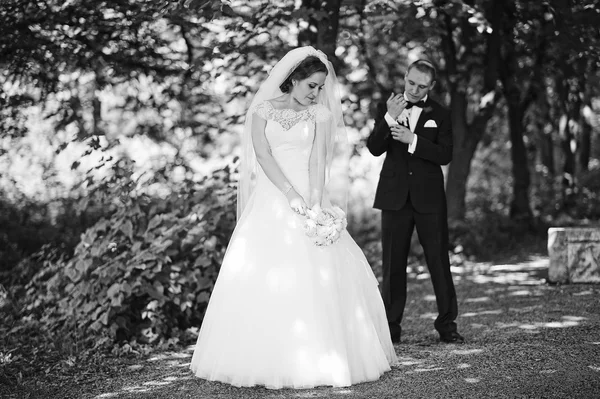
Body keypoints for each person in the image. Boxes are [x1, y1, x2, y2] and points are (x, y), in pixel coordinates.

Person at [190, 46, 397, 389]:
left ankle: (324, 353)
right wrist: (290, 195)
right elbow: (263, 153)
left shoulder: (320, 116)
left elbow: (319, 163)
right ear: (294, 79)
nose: (316, 93)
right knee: (263, 270)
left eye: (320, 88)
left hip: (309, 195)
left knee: (319, 270)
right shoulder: (262, 110)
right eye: (312, 86)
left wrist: (315, 204)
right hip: (273, 196)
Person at [367, 59, 464, 345]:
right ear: (405, 77)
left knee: (438, 262)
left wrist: (413, 140)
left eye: (422, 86)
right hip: (394, 197)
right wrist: (388, 118)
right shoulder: (386, 107)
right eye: (411, 83)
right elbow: (374, 149)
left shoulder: (441, 114)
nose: (414, 90)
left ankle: (447, 325)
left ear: (431, 86)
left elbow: (445, 155)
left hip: (429, 199)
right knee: (393, 264)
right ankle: (391, 328)